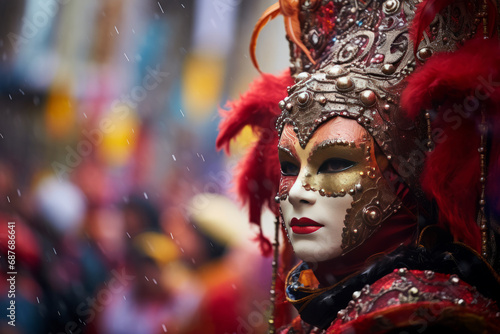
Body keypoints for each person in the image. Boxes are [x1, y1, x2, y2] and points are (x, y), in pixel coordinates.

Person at [217, 0, 500, 332]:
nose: (296, 192)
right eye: (289, 166)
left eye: (336, 162)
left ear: (402, 179)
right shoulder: (326, 309)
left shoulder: (417, 317)